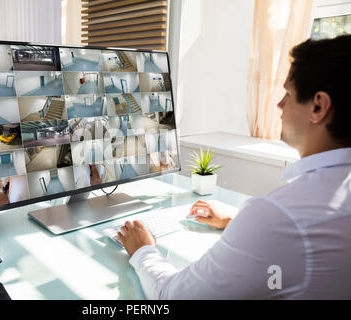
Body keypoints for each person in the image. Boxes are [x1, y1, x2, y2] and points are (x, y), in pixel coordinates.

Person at [118, 34, 351, 299]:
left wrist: (143, 250)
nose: (279, 104)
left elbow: (173, 296)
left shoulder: (277, 215)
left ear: (318, 106)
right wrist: (236, 223)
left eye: (288, 93)